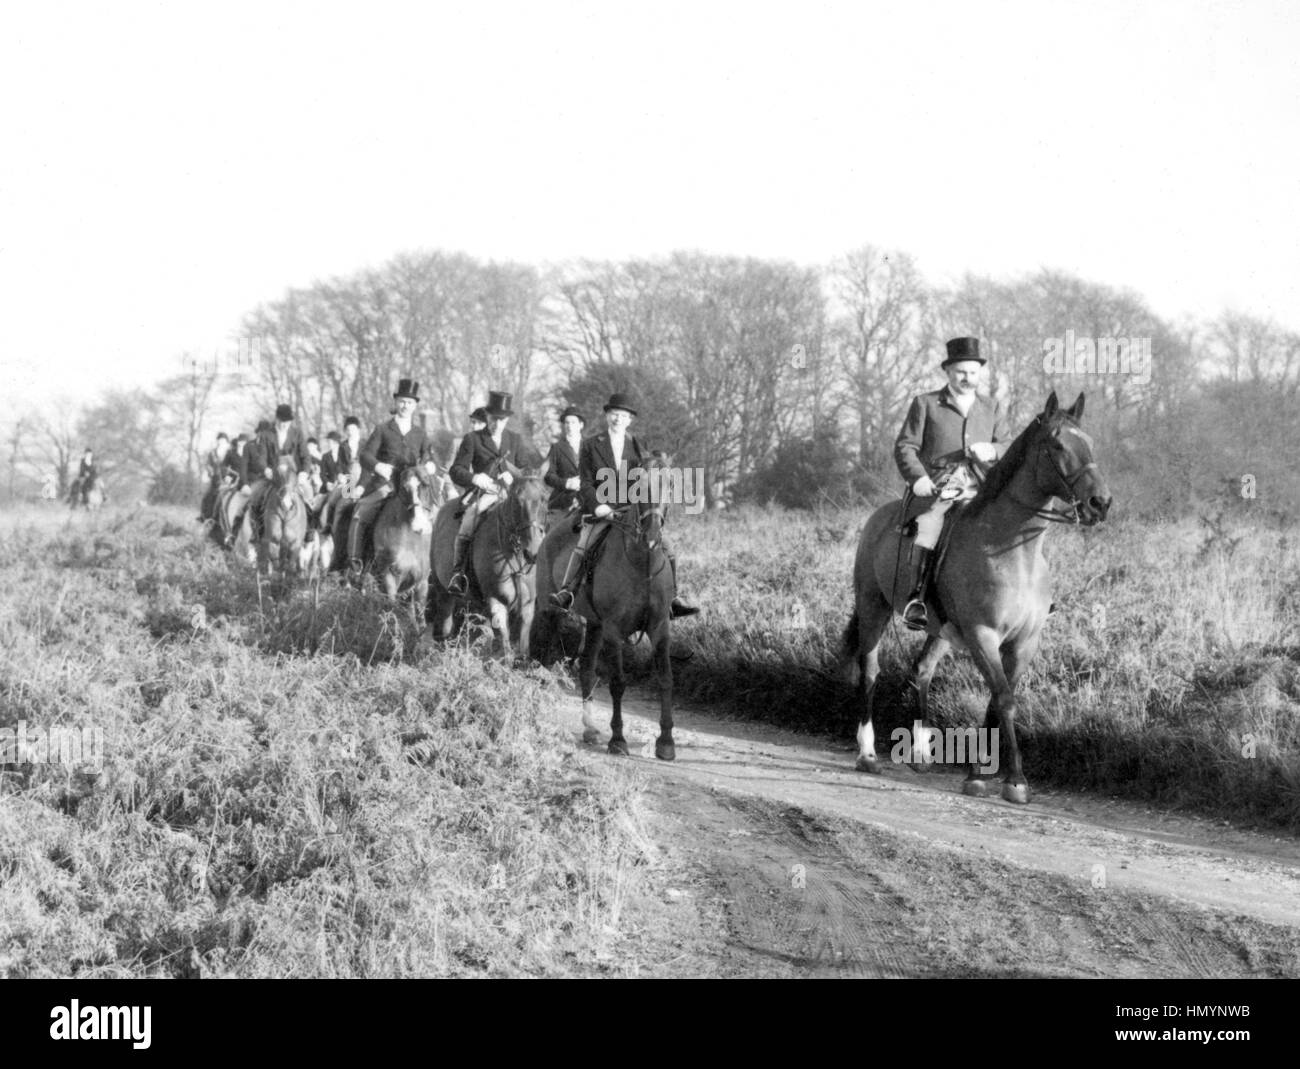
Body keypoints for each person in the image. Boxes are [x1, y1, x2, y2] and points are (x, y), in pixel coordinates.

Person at [549, 393, 698, 618]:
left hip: (633, 512)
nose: (618, 419)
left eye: (623, 416)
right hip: (600, 511)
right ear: (607, 416)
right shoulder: (590, 445)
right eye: (614, 415)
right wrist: (599, 507)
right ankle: (568, 591)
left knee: (667, 547)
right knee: (584, 544)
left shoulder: (639, 446)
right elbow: (586, 483)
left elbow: (647, 479)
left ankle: (673, 598)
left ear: (629, 420)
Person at [894, 336, 1008, 631]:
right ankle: (917, 597)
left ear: (979, 373)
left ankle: (1029, 596)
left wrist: (993, 450)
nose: (967, 378)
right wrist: (917, 478)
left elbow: (1007, 445)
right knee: (932, 524)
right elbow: (905, 446)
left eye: (972, 372)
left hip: (983, 481)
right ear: (948, 372)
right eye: (961, 372)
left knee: (1016, 517)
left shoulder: (991, 406)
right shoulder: (926, 403)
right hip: (938, 483)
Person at [446, 391, 544, 596]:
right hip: (485, 494)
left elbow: (525, 468)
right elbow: (456, 470)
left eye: (502, 420)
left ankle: (536, 568)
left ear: (507, 419)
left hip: (511, 495)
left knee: (533, 520)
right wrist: (475, 478)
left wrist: (516, 478)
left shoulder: (515, 439)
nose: (497, 424)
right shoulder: (473, 439)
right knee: (469, 519)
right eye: (493, 419)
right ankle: (459, 573)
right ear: (487, 417)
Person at [345, 379, 439, 578]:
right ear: (396, 403)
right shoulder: (382, 429)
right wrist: (378, 466)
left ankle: (434, 567)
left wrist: (430, 465)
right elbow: (365, 455)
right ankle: (356, 561)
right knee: (360, 513)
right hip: (386, 485)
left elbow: (429, 456)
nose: (405, 406)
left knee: (437, 515)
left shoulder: (420, 433)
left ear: (415, 406)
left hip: (412, 485)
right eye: (402, 402)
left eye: (409, 403)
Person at [543, 405, 585, 532]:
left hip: (586, 501)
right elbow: (548, 476)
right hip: (561, 503)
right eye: (566, 422)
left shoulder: (591, 447)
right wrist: (567, 483)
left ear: (581, 425)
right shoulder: (557, 448)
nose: (569, 426)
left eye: (573, 422)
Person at [199, 433, 230, 521]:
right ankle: (205, 515)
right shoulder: (212, 453)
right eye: (219, 440)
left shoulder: (230, 451)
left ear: (226, 441)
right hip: (215, 479)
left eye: (223, 440)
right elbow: (208, 464)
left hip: (228, 478)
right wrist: (211, 471)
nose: (221, 441)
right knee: (207, 496)